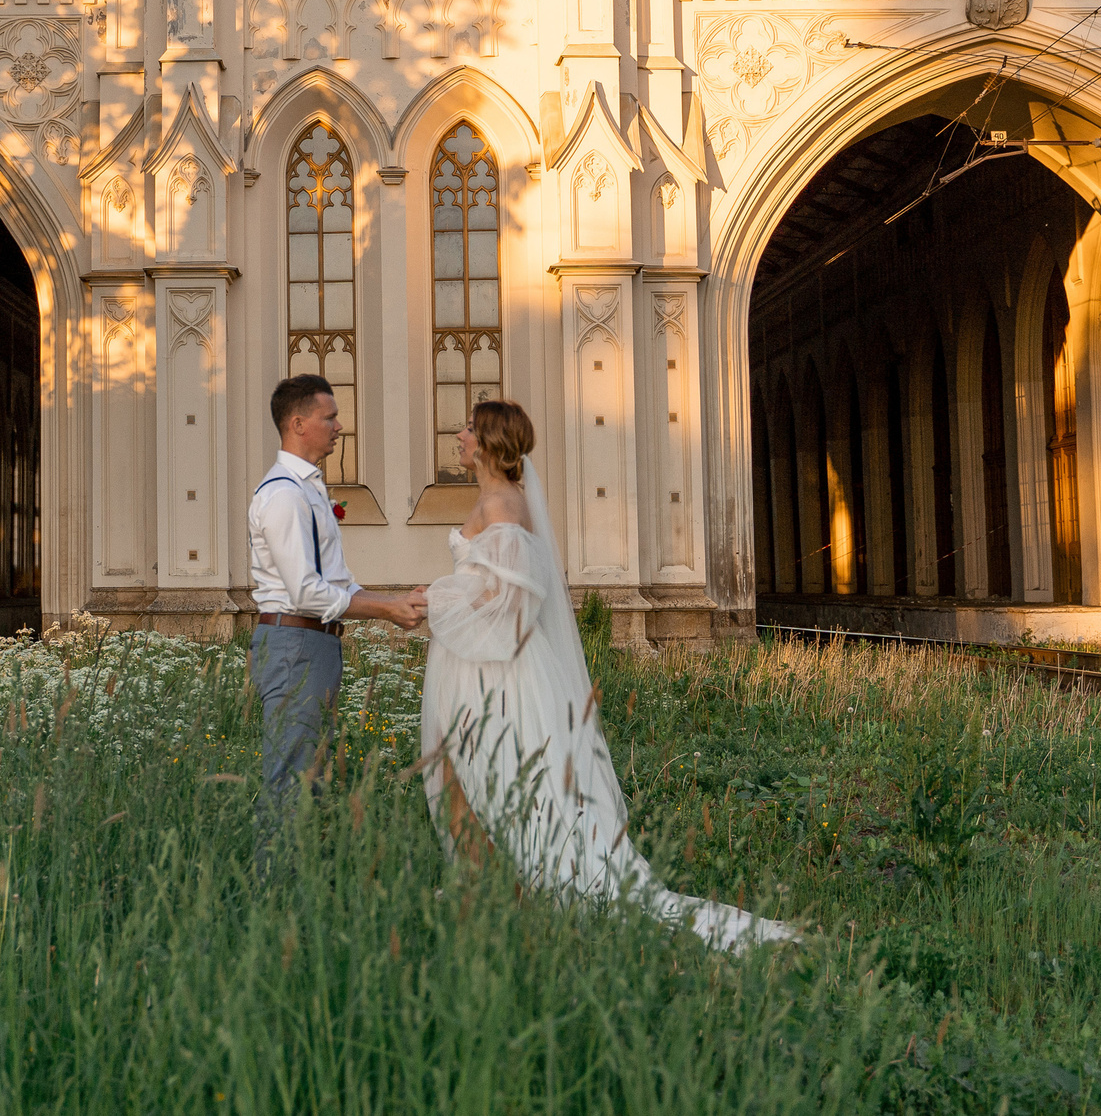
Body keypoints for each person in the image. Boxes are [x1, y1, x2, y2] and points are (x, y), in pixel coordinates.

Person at [419, 399, 799, 951]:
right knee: (475, 772)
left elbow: (511, 601)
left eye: (469, 428)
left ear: (489, 443)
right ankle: (489, 889)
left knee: (489, 774)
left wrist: (436, 599)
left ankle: (506, 891)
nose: (459, 435)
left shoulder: (501, 505)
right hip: (479, 661)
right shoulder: (499, 500)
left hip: (497, 671)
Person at [248, 374, 426, 839]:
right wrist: (386, 612)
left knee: (311, 779)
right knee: (291, 782)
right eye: (330, 418)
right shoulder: (284, 494)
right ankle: (277, 881)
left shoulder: (309, 489)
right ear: (298, 423)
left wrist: (396, 602)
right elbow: (305, 592)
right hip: (294, 642)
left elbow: (339, 583)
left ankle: (304, 875)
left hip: (313, 643)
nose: (339, 427)